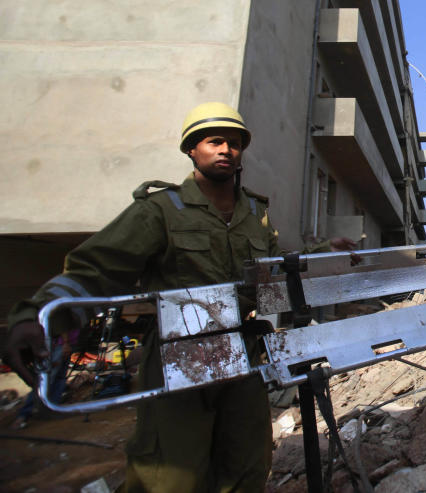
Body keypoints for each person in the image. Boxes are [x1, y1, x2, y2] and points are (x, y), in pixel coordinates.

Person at [4, 102, 356, 492]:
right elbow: (96, 269)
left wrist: (324, 253)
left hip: (242, 352)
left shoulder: (254, 215)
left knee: (246, 466)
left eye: (234, 143)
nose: (226, 150)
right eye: (214, 141)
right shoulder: (161, 210)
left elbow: (273, 272)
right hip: (179, 354)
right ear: (192, 149)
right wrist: (36, 317)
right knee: (170, 475)